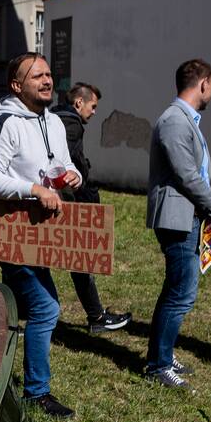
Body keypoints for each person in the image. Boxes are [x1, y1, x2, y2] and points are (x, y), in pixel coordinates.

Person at [0, 52, 83, 419]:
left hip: (45, 232)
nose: (47, 80)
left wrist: (72, 178)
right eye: (36, 75)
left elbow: (66, 164)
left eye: (49, 74)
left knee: (25, 305)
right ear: (16, 86)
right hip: (13, 231)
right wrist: (34, 189)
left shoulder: (53, 122)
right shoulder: (3, 122)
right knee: (47, 307)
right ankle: (37, 392)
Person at [145, 59, 211, 390]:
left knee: (176, 289)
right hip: (179, 219)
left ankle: (163, 354)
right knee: (181, 292)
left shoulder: (184, 119)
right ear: (203, 83)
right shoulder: (176, 121)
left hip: (188, 216)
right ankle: (158, 365)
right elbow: (186, 174)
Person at [52, 82, 132, 333]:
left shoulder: (53, 118)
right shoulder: (71, 125)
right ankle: (96, 318)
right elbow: (72, 164)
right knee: (81, 259)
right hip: (71, 202)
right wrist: (88, 194)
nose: (95, 112)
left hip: (55, 199)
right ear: (79, 103)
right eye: (93, 106)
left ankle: (25, 313)